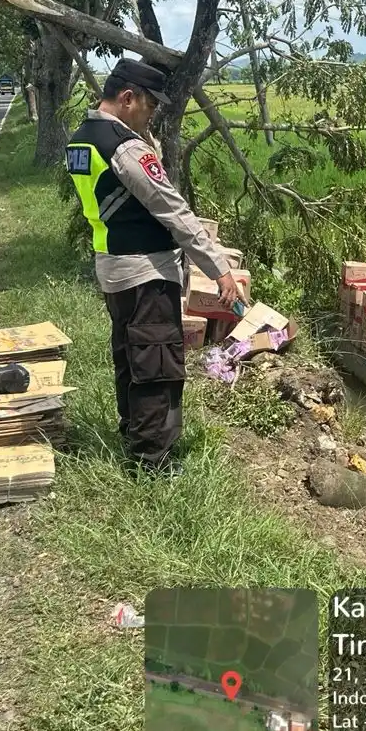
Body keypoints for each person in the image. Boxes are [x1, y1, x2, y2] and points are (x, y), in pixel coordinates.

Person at [66, 58, 240, 476]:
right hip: (146, 271)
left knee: (130, 357)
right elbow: (173, 210)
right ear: (127, 98)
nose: (152, 114)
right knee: (156, 365)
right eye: (149, 106)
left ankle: (133, 435)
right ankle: (152, 463)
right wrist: (217, 267)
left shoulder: (82, 139)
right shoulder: (125, 148)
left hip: (113, 267)